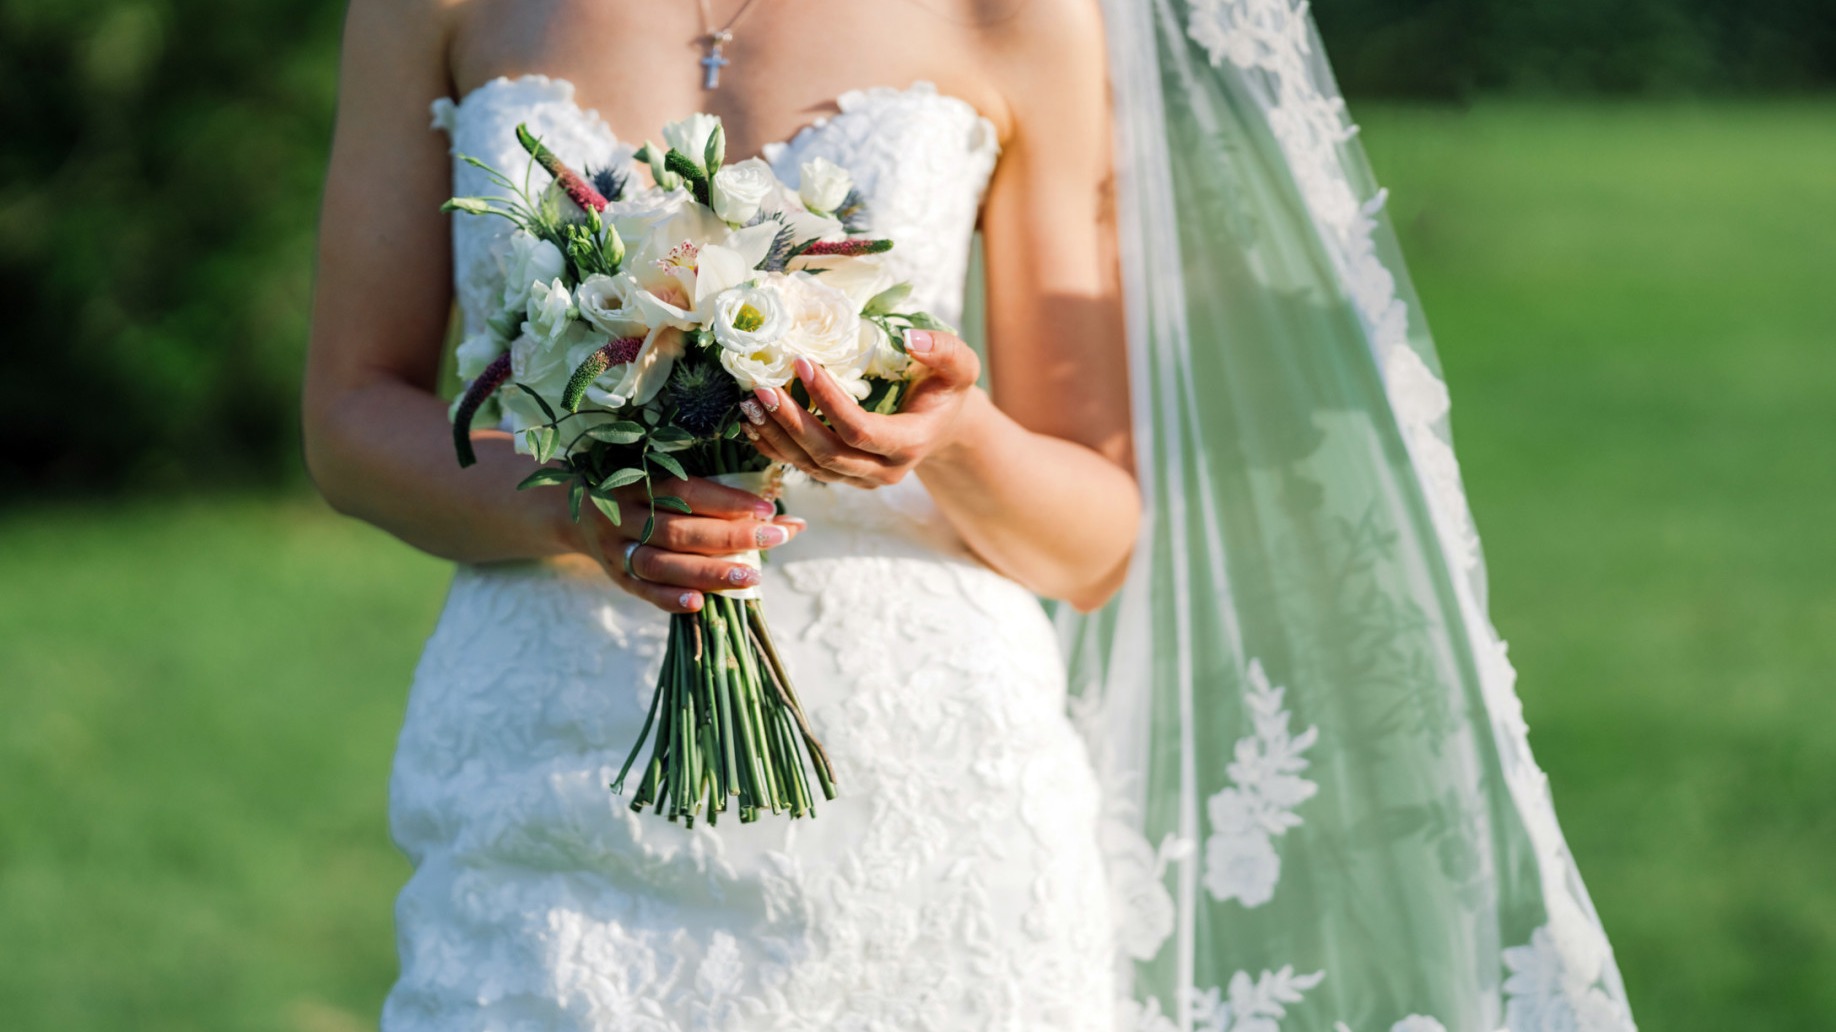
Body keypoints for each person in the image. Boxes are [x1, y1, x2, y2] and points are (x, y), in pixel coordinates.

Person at [302, 1, 1639, 1029]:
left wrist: (951, 432)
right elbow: (353, 415)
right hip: (547, 792)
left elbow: (1095, 536)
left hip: (921, 811)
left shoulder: (1020, 9)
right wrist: (568, 512)